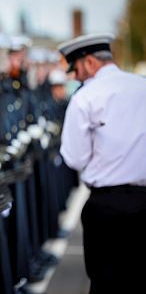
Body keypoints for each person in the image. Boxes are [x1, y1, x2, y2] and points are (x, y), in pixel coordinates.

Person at [58, 33, 146, 294]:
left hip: (107, 205)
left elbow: (75, 158)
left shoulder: (86, 97)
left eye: (78, 70)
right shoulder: (142, 86)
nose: (77, 77)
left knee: (106, 283)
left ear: (89, 63)